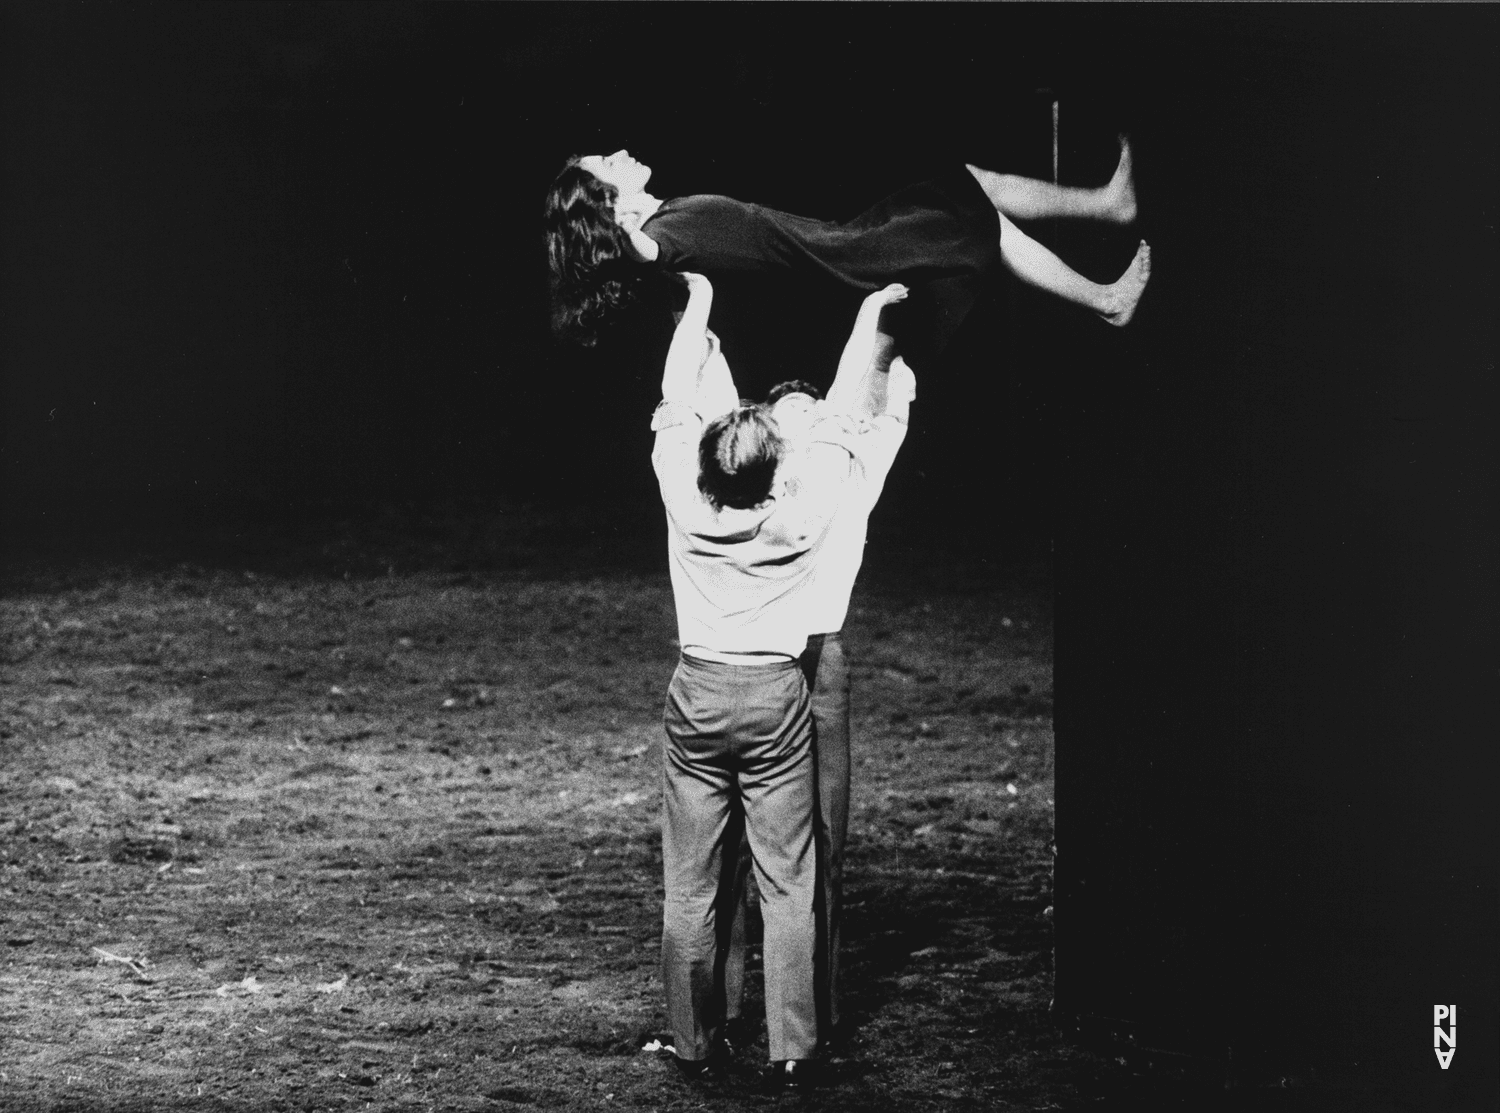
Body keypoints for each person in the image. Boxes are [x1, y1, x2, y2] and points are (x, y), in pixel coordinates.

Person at [651, 270, 907, 1091]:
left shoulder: (683, 501)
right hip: (772, 699)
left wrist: (697, 303)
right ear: (774, 470)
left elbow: (677, 395)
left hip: (697, 693)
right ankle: (793, 1043)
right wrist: (869, 314)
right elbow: (837, 416)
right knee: (787, 875)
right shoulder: (802, 514)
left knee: (690, 883)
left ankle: (695, 1041)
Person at [719, 283, 917, 1051]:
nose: (805, 419)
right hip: (755, 658)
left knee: (824, 838)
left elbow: (879, 397)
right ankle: (727, 1009)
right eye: (788, 413)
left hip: (820, 657)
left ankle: (813, 1011)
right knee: (737, 841)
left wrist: (890, 326)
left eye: (813, 409)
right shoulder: (750, 480)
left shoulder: (852, 470)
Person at [544, 141, 1151, 355]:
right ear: (605, 199)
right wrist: (623, 234)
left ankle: (1105, 207)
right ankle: (1106, 298)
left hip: (845, 238)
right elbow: (643, 260)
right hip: (844, 260)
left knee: (967, 187)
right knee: (975, 216)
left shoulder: (666, 218)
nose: (621, 154)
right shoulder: (657, 238)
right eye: (608, 162)